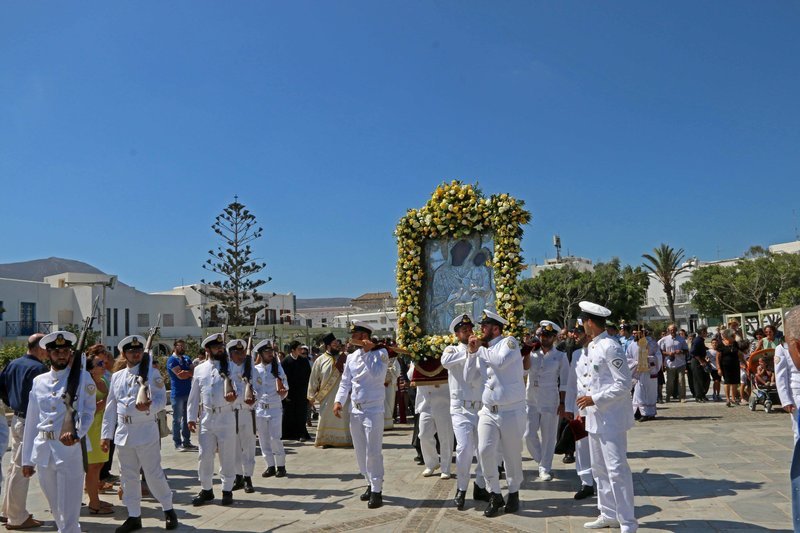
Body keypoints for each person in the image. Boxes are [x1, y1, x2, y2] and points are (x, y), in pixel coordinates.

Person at [100, 335, 177, 532]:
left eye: (138, 350)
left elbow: (161, 400)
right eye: (130, 351)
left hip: (145, 429)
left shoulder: (152, 374)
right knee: (127, 476)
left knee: (153, 474)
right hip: (124, 432)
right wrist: (105, 435)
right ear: (123, 354)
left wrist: (149, 407)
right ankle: (134, 515)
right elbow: (110, 408)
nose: (135, 354)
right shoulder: (116, 377)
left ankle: (168, 509)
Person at [21, 331, 95, 533]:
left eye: (65, 351)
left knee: (69, 509)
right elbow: (32, 421)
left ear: (71, 353)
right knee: (55, 508)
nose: (61, 355)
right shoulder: (39, 381)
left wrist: (77, 433)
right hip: (44, 450)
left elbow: (89, 412)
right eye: (56, 351)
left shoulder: (82, 378)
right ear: (48, 353)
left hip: (69, 450)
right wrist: (26, 459)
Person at [573, 301, 637, 532]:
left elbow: (624, 384)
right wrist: (586, 408)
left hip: (612, 418)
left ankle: (628, 522)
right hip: (595, 418)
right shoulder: (591, 347)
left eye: (582, 322)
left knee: (617, 470)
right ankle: (608, 513)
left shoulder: (610, 346)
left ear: (590, 322)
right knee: (599, 469)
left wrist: (595, 399)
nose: (581, 326)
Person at [469, 309, 526, 517]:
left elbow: (500, 361)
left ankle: (514, 492)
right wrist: (471, 353)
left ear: (495, 328)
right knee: (483, 450)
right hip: (488, 410)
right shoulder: (484, 349)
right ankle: (494, 493)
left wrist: (479, 349)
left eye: (484, 326)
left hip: (511, 410)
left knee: (511, 455)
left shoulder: (509, 342)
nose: (480, 330)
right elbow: (472, 375)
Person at [334, 321, 389, 509]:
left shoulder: (380, 354)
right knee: (360, 451)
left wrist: (369, 352)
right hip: (355, 409)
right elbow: (345, 382)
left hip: (373, 409)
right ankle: (369, 482)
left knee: (373, 452)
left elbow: (378, 375)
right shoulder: (351, 357)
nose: (351, 339)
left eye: (355, 335)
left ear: (364, 336)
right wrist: (339, 401)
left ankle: (377, 489)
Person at [440, 314, 489, 510]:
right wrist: (468, 351)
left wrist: (476, 350)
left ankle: (480, 485)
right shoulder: (452, 349)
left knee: (485, 450)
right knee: (464, 449)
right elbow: (445, 361)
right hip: (460, 408)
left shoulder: (482, 350)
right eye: (464, 331)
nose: (468, 333)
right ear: (457, 334)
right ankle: (461, 488)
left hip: (481, 406)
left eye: (470, 330)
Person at [0, 332, 47, 530]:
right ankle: (17, 517)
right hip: (29, 421)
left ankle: (7, 511)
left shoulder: (14, 363)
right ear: (40, 348)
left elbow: (2, 389)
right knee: (22, 470)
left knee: (14, 468)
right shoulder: (39, 368)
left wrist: (13, 403)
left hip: (18, 419)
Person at [187, 333, 238, 506]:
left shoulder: (231, 367)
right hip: (207, 417)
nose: (220, 349)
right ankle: (207, 489)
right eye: (216, 347)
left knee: (227, 455)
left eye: (221, 346)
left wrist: (234, 398)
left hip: (226, 416)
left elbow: (241, 392)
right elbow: (194, 396)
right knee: (204, 455)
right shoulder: (200, 369)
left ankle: (227, 489)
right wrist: (191, 417)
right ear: (207, 350)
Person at [525, 320, 569, 482]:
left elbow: (564, 382)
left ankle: (545, 468)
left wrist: (563, 403)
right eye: (542, 335)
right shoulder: (531, 353)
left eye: (548, 336)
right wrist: (527, 348)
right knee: (529, 434)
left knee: (549, 437)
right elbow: (523, 369)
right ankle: (541, 460)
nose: (545, 339)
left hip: (551, 399)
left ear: (555, 338)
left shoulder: (560, 356)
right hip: (531, 398)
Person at [774, 305, 800, 532]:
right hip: (797, 394)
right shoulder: (782, 349)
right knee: (797, 433)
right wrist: (786, 400)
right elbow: (781, 377)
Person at [564, 319, 595, 500]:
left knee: (598, 446)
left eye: (578, 332)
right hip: (580, 408)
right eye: (573, 332)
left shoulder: (598, 350)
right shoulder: (576, 354)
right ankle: (586, 482)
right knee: (582, 445)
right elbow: (571, 383)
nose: (574, 335)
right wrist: (569, 406)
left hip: (597, 407)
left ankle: (600, 478)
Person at [408, 359, 453, 480]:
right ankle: (432, 463)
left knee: (445, 437)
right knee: (423, 435)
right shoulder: (418, 358)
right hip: (425, 403)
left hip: (443, 402)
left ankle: (446, 467)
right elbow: (410, 375)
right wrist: (417, 363)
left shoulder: (445, 358)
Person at [307, 333, 352, 448]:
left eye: (337, 343)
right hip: (326, 396)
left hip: (343, 395)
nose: (337, 345)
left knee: (344, 416)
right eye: (334, 344)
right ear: (328, 345)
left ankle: (345, 439)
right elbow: (313, 378)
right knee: (326, 416)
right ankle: (326, 440)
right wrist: (311, 396)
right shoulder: (320, 360)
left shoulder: (345, 358)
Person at [84, 346, 113, 516]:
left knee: (100, 465)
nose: (104, 365)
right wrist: (107, 400)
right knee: (93, 467)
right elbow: (88, 409)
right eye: (99, 363)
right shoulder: (87, 385)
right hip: (92, 429)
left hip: (104, 428)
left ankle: (95, 497)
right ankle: (94, 504)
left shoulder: (104, 381)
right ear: (90, 369)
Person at [253, 341, 288, 477]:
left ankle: (281, 465)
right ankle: (270, 465)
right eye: (266, 352)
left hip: (274, 408)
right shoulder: (256, 370)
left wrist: (283, 392)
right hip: (260, 409)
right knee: (263, 439)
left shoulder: (278, 369)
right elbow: (253, 389)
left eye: (271, 352)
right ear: (260, 354)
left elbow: (285, 386)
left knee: (275, 438)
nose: (269, 354)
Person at [227, 339, 258, 493]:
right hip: (231, 412)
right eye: (236, 353)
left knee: (249, 446)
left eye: (242, 353)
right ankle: (238, 476)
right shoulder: (226, 369)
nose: (240, 355)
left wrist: (253, 396)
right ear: (231, 354)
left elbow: (260, 388)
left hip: (247, 411)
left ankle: (248, 477)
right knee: (233, 447)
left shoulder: (251, 369)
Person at [626, 326, 663, 421]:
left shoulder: (652, 344)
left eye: (636, 333)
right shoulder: (631, 345)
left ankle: (649, 413)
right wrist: (635, 363)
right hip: (638, 372)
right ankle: (639, 412)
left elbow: (658, 357)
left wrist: (649, 360)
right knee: (638, 393)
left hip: (650, 373)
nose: (634, 335)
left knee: (650, 393)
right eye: (633, 333)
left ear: (642, 333)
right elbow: (627, 358)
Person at [166, 339, 196, 452]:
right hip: (177, 394)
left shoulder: (187, 358)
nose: (183, 348)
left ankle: (187, 442)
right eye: (180, 346)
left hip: (188, 392)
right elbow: (180, 376)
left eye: (184, 346)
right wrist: (188, 373)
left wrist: (187, 373)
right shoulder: (171, 360)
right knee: (177, 419)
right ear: (175, 347)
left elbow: (195, 373)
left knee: (187, 418)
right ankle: (177, 443)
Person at [282, 341, 312, 442]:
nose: (301, 350)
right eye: (299, 348)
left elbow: (309, 376)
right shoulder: (285, 362)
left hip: (302, 392)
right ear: (293, 350)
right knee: (289, 414)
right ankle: (288, 434)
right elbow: (282, 378)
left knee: (301, 414)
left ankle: (302, 433)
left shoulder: (304, 361)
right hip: (290, 393)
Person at [716, 329, 746, 407]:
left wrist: (744, 363)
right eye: (732, 336)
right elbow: (718, 357)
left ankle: (733, 398)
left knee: (735, 382)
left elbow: (739, 355)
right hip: (725, 366)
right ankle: (727, 399)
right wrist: (719, 368)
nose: (734, 337)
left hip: (735, 364)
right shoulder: (721, 344)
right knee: (727, 382)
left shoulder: (735, 344)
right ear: (727, 336)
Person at [658, 324, 688, 402]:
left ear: (676, 330)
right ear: (668, 330)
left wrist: (680, 351)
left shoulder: (681, 339)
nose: (672, 331)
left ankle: (682, 397)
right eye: (671, 330)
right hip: (669, 363)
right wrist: (668, 353)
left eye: (674, 329)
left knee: (681, 380)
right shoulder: (664, 339)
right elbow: (660, 351)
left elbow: (686, 350)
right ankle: (668, 395)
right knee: (670, 381)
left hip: (680, 363)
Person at [689, 326, 710, 402]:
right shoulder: (697, 340)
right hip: (697, 361)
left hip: (702, 360)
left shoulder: (701, 340)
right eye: (705, 331)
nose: (707, 332)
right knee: (698, 380)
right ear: (702, 332)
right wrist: (701, 362)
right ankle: (698, 396)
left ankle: (703, 395)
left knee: (706, 379)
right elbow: (693, 352)